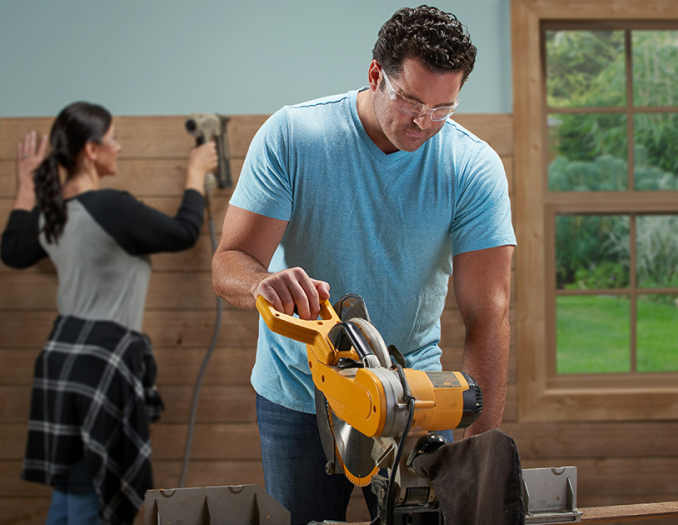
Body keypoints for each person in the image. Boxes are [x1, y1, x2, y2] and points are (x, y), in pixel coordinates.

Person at [211, 5, 515, 524]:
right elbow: (230, 263)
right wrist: (263, 283)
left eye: (443, 108)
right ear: (376, 74)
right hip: (299, 394)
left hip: (414, 394)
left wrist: (477, 448)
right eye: (412, 100)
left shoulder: (472, 167)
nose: (424, 122)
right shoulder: (294, 136)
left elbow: (488, 316)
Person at [0, 101, 218, 525]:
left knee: (72, 493)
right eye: (113, 138)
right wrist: (195, 174)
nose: (119, 147)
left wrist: (27, 186)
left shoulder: (50, 210)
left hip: (59, 365)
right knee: (91, 501)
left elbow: (12, 252)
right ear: (90, 150)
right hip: (99, 366)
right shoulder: (111, 208)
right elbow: (183, 233)